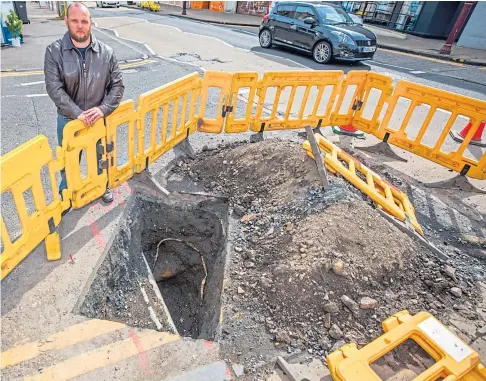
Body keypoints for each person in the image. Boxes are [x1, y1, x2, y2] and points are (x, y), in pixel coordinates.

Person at [44, 1, 124, 204]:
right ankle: (67, 194)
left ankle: (102, 186)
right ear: (66, 22)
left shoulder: (107, 53)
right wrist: (77, 113)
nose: (79, 25)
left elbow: (117, 86)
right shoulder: (54, 52)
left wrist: (102, 109)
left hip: (98, 118)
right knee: (69, 160)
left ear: (91, 23)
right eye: (74, 21)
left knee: (101, 157)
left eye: (84, 21)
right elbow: (54, 88)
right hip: (69, 119)